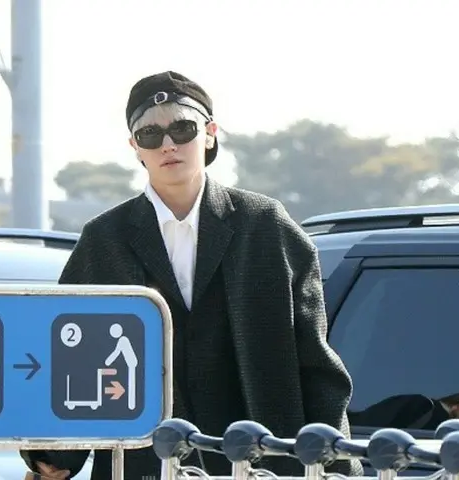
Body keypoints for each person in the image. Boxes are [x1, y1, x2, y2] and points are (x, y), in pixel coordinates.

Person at [19, 71, 361, 480]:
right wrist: (52, 457)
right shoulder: (103, 239)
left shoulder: (265, 225)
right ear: (135, 148)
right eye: (150, 135)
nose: (167, 144)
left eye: (182, 128)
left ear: (211, 133)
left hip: (260, 462)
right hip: (142, 462)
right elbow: (68, 357)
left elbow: (316, 361)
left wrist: (337, 468)